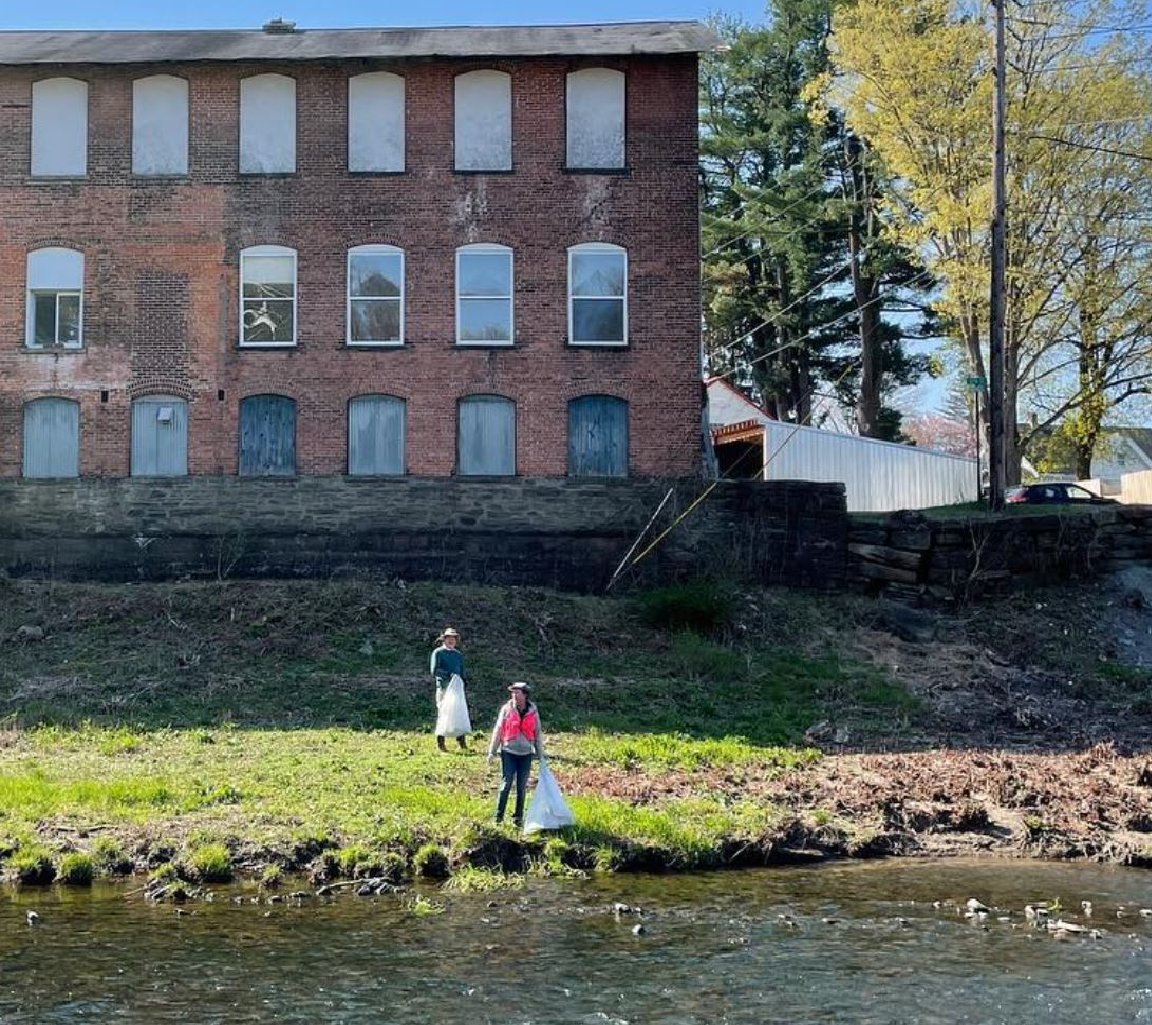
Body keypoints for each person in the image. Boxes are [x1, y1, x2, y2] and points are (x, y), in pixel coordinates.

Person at [487, 682, 545, 827]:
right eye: (513, 693)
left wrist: (540, 754)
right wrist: (492, 751)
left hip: (526, 754)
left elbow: (537, 733)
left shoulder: (533, 711)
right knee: (506, 784)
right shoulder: (506, 709)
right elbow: (498, 730)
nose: (514, 695)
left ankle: (518, 818)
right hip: (509, 751)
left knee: (521, 787)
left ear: (525, 695)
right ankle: (498, 817)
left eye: (517, 693)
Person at [430, 627, 467, 751]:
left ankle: (461, 742)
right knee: (443, 713)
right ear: (444, 640)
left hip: (457, 688)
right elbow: (435, 670)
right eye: (449, 638)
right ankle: (441, 743)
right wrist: (448, 676)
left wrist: (463, 681)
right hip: (444, 687)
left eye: (453, 638)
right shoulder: (438, 652)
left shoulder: (458, 655)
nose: (451, 641)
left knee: (459, 713)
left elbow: (462, 670)